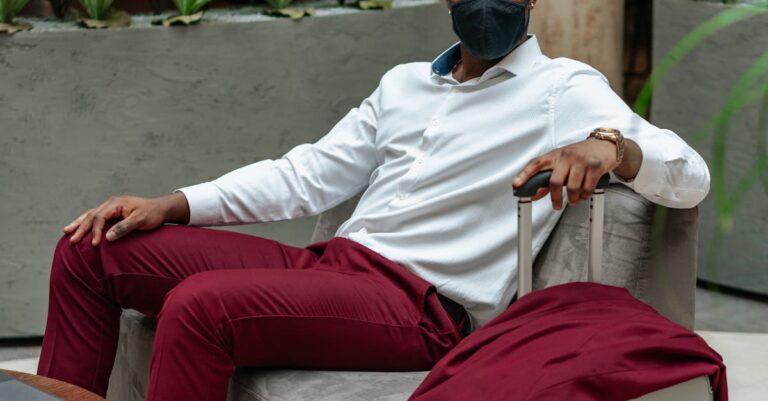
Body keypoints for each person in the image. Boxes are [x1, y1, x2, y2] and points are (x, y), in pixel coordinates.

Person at [37, 0, 710, 400]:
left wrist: (609, 147)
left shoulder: (563, 87)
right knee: (92, 248)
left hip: (423, 307)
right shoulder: (403, 85)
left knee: (201, 305)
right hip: (334, 268)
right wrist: (174, 203)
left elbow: (690, 173)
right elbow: (307, 174)